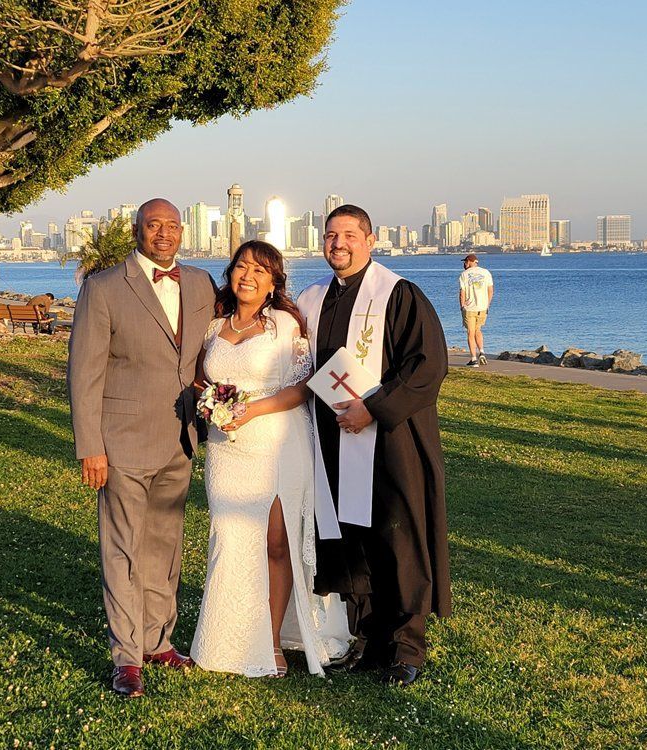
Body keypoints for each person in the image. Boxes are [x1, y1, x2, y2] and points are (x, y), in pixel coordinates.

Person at [297, 204, 452, 687]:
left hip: (391, 439)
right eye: (330, 236)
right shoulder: (313, 299)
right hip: (332, 438)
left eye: (348, 235)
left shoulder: (399, 294)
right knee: (349, 539)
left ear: (369, 239)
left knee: (396, 536)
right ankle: (367, 640)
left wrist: (374, 409)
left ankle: (407, 647)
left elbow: (427, 365)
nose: (337, 244)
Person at [67, 198, 216, 698]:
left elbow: (211, 351)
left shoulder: (199, 283)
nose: (165, 234)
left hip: (181, 440)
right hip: (122, 442)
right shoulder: (104, 287)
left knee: (164, 548)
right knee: (123, 551)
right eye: (155, 226)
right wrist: (90, 446)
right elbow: (84, 374)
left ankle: (159, 641)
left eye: (173, 226)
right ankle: (127, 659)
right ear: (137, 230)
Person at [189, 240, 351, 678]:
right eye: (242, 267)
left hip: (279, 441)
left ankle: (274, 639)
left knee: (275, 543)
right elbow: (201, 378)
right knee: (230, 534)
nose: (248, 276)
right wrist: (213, 404)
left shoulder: (283, 324)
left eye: (260, 271)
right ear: (230, 273)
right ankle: (228, 639)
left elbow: (302, 387)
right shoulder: (212, 326)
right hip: (227, 448)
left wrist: (251, 409)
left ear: (273, 282)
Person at [459, 253, 494, 367]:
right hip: (482, 307)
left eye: (465, 262)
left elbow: (462, 293)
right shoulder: (486, 272)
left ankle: (474, 359)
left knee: (470, 332)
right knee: (478, 330)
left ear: (470, 262)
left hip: (470, 308)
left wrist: (462, 306)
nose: (464, 264)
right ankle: (482, 351)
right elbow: (490, 290)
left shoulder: (464, 274)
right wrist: (487, 304)